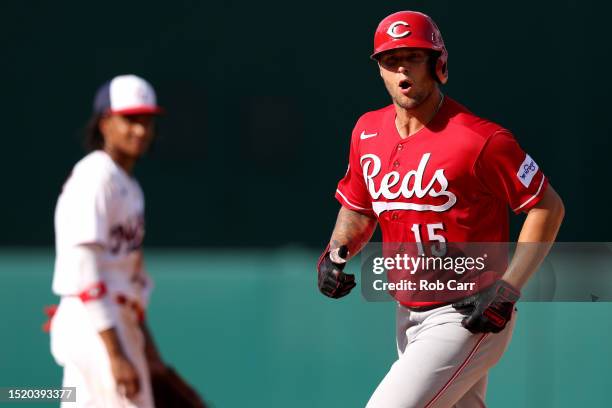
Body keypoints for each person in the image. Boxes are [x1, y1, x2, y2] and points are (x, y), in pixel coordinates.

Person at [317, 11, 565, 408]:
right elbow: (360, 207)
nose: (401, 68)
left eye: (413, 57)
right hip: (407, 312)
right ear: (379, 69)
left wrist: (508, 288)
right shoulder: (367, 130)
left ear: (439, 64)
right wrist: (336, 252)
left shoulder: (480, 138)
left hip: (468, 311)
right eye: (389, 59)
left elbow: (547, 207)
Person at [50, 74, 166, 407]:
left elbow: (129, 278)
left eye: (147, 121)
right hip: (97, 328)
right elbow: (83, 267)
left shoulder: (127, 184)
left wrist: (149, 352)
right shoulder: (95, 176)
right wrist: (115, 353)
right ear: (105, 122)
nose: (141, 130)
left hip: (117, 323)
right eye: (130, 120)